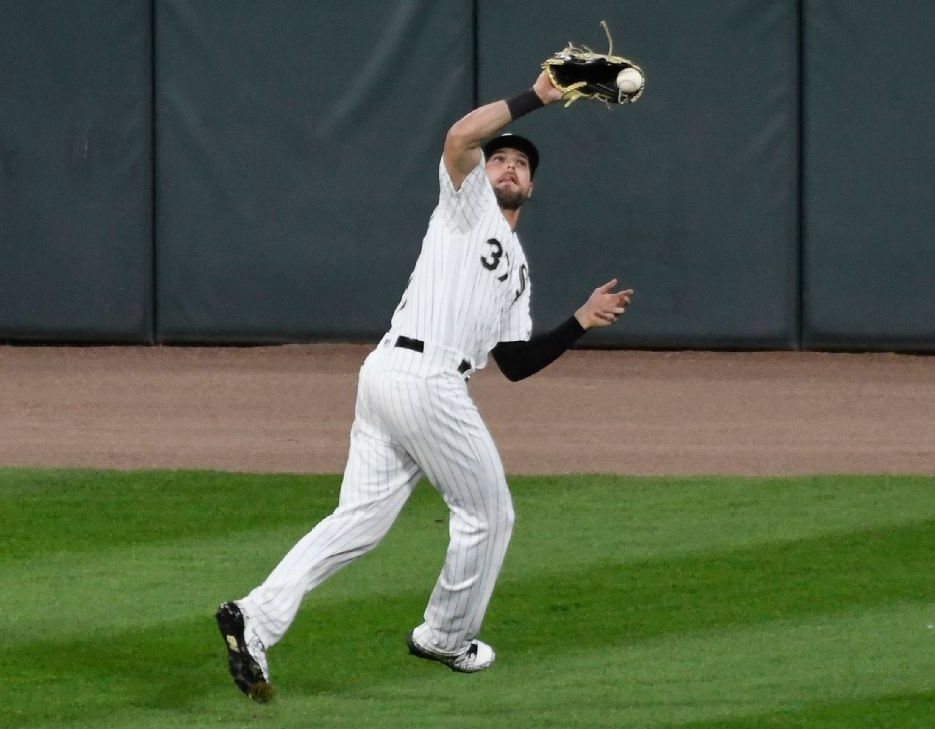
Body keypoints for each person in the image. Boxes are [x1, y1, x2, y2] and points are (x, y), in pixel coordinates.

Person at [216, 66, 634, 702]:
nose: (510, 167)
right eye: (502, 159)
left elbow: (515, 362)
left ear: (535, 187)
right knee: (489, 513)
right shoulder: (467, 205)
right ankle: (443, 636)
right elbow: (460, 137)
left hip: (393, 381)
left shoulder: (518, 270)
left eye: (522, 164)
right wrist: (539, 98)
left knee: (358, 521)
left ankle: (254, 618)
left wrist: (578, 321)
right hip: (419, 377)